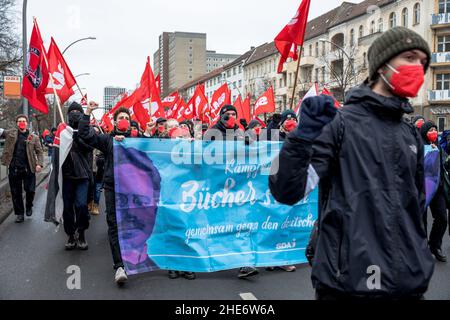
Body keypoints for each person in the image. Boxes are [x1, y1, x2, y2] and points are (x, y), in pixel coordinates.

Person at [269, 27, 434, 300]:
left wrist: (420, 259)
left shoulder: (409, 134)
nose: (417, 67)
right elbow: (287, 190)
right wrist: (302, 137)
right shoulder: (339, 124)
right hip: (347, 284)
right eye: (409, 57)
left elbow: (415, 209)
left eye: (422, 62)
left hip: (406, 284)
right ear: (382, 65)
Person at [78, 102, 132, 285]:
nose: (124, 121)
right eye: (120, 119)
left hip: (133, 190)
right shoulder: (108, 140)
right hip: (112, 187)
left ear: (131, 123)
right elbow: (85, 134)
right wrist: (87, 113)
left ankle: (133, 258)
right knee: (114, 224)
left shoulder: (138, 139)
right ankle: (119, 266)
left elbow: (162, 148)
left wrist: (187, 141)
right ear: (115, 123)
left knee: (131, 224)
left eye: (127, 118)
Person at [204, 105, 257, 279]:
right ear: (221, 117)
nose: (231, 117)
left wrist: (249, 135)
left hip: (238, 188)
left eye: (234, 114)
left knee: (241, 224)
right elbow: (203, 152)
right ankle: (213, 258)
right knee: (218, 225)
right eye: (227, 114)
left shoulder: (240, 132)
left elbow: (253, 149)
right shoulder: (212, 132)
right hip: (217, 188)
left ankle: (244, 263)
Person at [62, 102, 94, 251]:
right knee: (68, 208)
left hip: (83, 175)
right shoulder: (63, 131)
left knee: (81, 205)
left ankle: (81, 232)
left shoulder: (88, 130)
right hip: (67, 175)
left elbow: (89, 147)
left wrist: (77, 137)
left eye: (77, 111)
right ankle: (70, 234)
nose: (75, 113)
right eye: (72, 111)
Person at [0, 115, 44, 223]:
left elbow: (40, 152)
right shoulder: (10, 133)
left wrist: (40, 164)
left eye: (23, 121)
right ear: (16, 123)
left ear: (27, 123)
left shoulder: (34, 137)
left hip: (29, 168)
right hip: (14, 168)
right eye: (19, 121)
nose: (22, 123)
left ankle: (29, 205)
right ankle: (19, 214)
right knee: (16, 192)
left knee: (30, 190)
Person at [420, 121, 448, 262]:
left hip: (438, 188)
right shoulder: (418, 147)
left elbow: (443, 166)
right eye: (430, 129)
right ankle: (422, 250)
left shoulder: (439, 147)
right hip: (422, 189)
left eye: (435, 130)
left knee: (442, 218)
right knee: (421, 222)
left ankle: (435, 245)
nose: (433, 132)